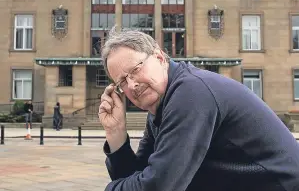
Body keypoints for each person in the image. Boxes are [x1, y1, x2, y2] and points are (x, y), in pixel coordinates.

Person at [99, 28, 299, 191]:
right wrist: (115, 133)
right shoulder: (161, 106)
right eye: (122, 81)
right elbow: (140, 175)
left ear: (159, 57)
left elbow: (159, 186)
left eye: (135, 69)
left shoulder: (191, 92)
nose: (132, 85)